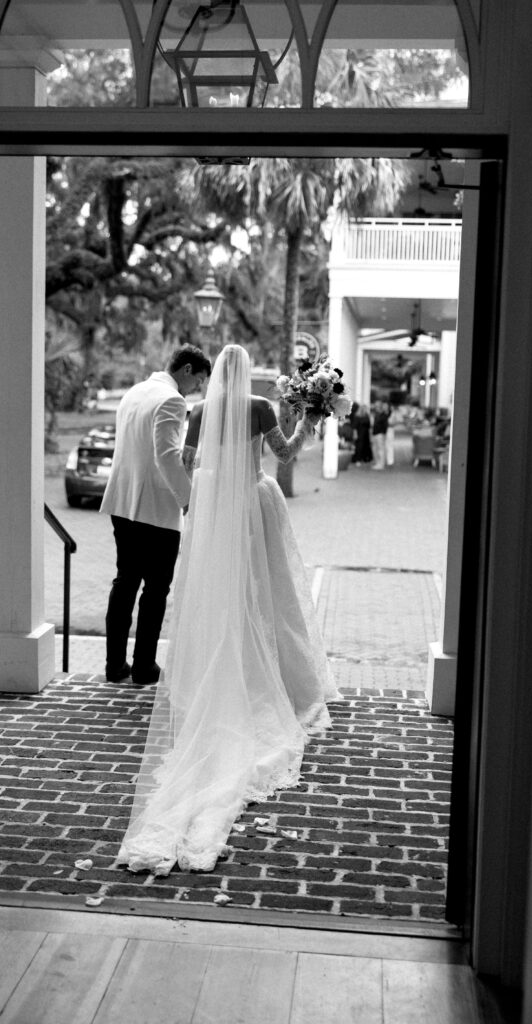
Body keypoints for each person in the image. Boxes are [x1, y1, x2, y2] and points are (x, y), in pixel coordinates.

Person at [116, 344, 341, 876]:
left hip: (218, 510)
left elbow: (187, 461)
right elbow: (284, 455)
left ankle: (223, 665)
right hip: (256, 505)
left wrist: (209, 487)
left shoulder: (198, 411)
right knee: (269, 594)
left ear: (215, 374)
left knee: (221, 591)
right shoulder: (261, 406)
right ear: (248, 375)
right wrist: (308, 419)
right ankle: (280, 678)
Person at [100, 345, 212, 685]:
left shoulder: (134, 392)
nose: (198, 389)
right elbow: (166, 456)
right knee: (155, 589)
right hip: (156, 509)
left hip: (122, 502)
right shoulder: (172, 400)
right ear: (188, 369)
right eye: (200, 381)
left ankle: (115, 665)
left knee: (125, 582)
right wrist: (189, 500)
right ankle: (144, 666)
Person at [371, 400, 389, 470]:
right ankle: (377, 463)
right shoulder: (376, 414)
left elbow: (385, 425)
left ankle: (381, 464)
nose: (375, 407)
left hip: (380, 434)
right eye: (375, 406)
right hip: (375, 433)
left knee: (380, 449)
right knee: (375, 449)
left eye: (377, 406)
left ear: (380, 406)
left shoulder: (384, 415)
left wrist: (383, 434)